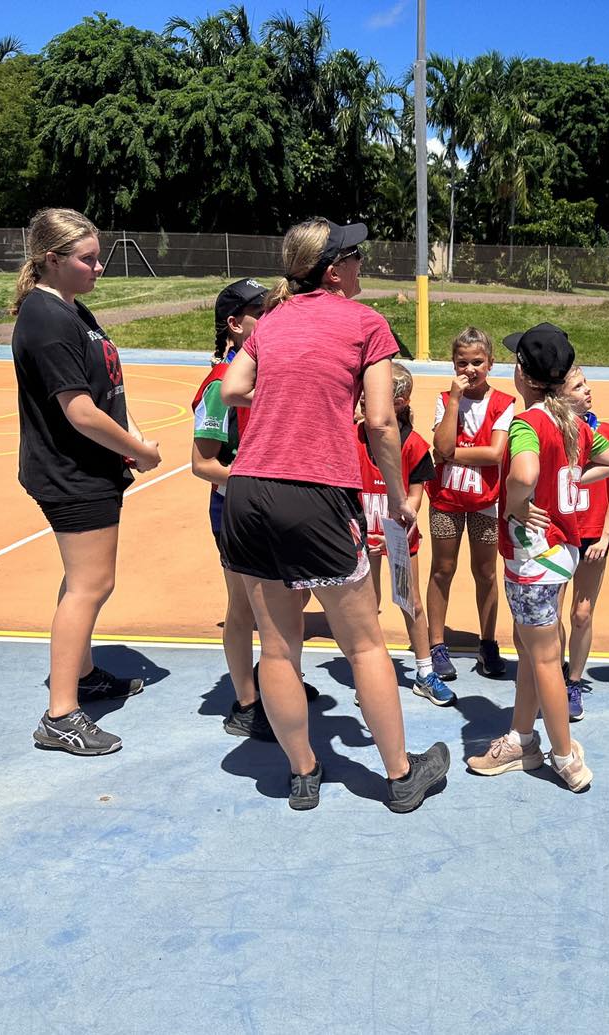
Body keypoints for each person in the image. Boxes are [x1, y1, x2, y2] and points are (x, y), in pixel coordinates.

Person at [220, 217, 449, 812]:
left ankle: (303, 774)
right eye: (354, 256)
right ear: (332, 270)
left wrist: (287, 394)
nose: (360, 264)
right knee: (365, 645)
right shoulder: (365, 324)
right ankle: (401, 776)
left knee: (278, 646)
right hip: (314, 493)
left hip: (248, 490)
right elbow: (382, 422)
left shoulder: (271, 321)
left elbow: (233, 389)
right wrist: (397, 494)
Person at [10, 207, 161, 756]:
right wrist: (136, 450)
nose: (99, 268)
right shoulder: (46, 318)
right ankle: (60, 716)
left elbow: (107, 390)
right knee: (91, 586)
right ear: (52, 259)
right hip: (71, 472)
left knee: (82, 581)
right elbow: (78, 411)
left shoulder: (72, 308)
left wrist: (133, 437)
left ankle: (83, 673)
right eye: (87, 259)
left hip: (91, 467)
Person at [465, 324, 609, 792]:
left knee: (545, 659)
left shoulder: (528, 423)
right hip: (561, 553)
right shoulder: (572, 421)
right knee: (533, 652)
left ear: (525, 376)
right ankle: (522, 738)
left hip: (532, 558)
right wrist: (571, 480)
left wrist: (517, 502)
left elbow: (524, 473)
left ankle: (564, 757)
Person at [190, 278, 319, 741]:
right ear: (234, 324)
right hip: (238, 510)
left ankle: (279, 678)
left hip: (275, 505)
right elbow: (203, 464)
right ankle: (247, 702)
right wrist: (257, 481)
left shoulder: (265, 375)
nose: (271, 319)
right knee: (244, 607)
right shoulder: (219, 386)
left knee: (294, 597)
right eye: (260, 313)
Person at [356, 362, 454, 706]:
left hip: (398, 538)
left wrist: (399, 526)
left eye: (369, 395)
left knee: (410, 602)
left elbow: (415, 497)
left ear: (398, 402)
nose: (362, 399)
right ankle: (369, 674)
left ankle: (425, 672)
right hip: (361, 537)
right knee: (366, 606)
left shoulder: (413, 445)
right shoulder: (352, 436)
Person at [425, 327, 514, 682]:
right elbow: (441, 440)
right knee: (442, 568)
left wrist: (450, 455)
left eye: (477, 362)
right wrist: (453, 401)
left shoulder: (503, 403)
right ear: (453, 364)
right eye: (462, 362)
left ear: (490, 362)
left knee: (486, 572)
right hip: (446, 498)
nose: (470, 369)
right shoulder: (445, 400)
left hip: (484, 502)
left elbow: (494, 454)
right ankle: (436, 644)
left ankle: (487, 642)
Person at [557, 365, 609, 720]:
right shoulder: (551, 433)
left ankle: (574, 682)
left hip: (593, 536)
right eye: (578, 386)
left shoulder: (608, 435)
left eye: (586, 384)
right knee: (550, 615)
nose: (587, 390)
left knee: (582, 612)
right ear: (560, 395)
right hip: (559, 535)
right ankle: (554, 671)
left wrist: (606, 535)